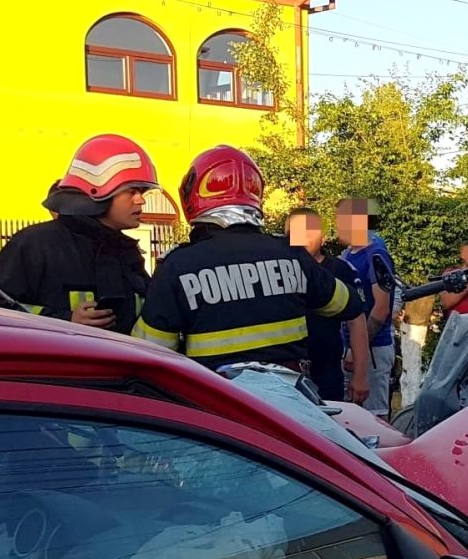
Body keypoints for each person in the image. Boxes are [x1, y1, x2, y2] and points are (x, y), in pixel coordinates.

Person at [133, 146, 360, 370]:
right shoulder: (292, 254)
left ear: (193, 195)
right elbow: (349, 304)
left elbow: (150, 351)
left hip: (216, 398)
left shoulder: (177, 266)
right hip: (288, 397)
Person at [0, 135, 157, 334]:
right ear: (98, 191)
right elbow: (2, 313)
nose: (141, 200)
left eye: (142, 192)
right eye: (131, 191)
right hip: (55, 364)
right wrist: (65, 320)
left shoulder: (126, 252)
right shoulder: (36, 245)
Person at [287, 208, 371, 403]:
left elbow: (357, 320)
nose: (302, 238)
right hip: (286, 371)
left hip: (326, 370)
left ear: (323, 237)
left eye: (309, 232)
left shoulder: (341, 270)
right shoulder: (277, 269)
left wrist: (360, 376)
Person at [337, 198, 398, 418]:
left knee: (374, 419)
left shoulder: (376, 255)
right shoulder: (347, 254)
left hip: (373, 350)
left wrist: (357, 348)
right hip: (351, 346)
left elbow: (381, 308)